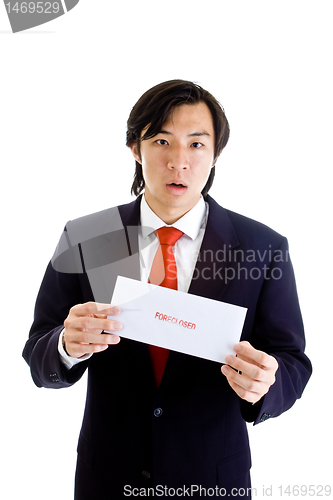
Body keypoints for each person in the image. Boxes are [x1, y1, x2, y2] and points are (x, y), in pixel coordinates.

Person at [23, 80, 312, 499]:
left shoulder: (262, 246)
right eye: (162, 141)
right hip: (107, 477)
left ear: (215, 155)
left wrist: (268, 382)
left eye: (197, 145)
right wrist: (66, 345)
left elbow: (292, 360)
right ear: (135, 149)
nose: (179, 162)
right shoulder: (86, 236)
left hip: (211, 478)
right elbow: (39, 351)